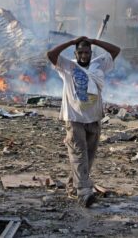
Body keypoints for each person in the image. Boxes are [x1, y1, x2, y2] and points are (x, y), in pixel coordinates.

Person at [47, 36, 120, 207]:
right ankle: (83, 194)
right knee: (79, 155)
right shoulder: (68, 66)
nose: (84, 55)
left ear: (90, 52)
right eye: (80, 52)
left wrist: (95, 41)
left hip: (94, 118)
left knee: (88, 158)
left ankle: (73, 187)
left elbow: (115, 50)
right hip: (74, 118)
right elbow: (51, 54)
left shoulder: (98, 64)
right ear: (76, 53)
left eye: (87, 52)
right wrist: (72, 41)